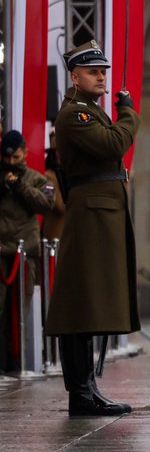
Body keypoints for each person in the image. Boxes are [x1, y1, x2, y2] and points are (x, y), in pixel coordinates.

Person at [44, 40, 140, 416]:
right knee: (79, 304)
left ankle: (87, 389)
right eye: (93, 72)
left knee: (86, 304)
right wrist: (128, 113)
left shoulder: (91, 110)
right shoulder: (75, 115)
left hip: (100, 213)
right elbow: (113, 143)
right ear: (75, 77)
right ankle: (81, 393)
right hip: (90, 215)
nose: (101, 77)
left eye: (103, 72)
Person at [0, 130, 57, 372]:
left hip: (25, 253)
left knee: (22, 310)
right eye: (7, 158)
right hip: (2, 251)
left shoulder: (38, 179)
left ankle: (19, 361)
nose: (11, 162)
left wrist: (19, 186)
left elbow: (47, 203)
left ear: (24, 152)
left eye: (16, 157)